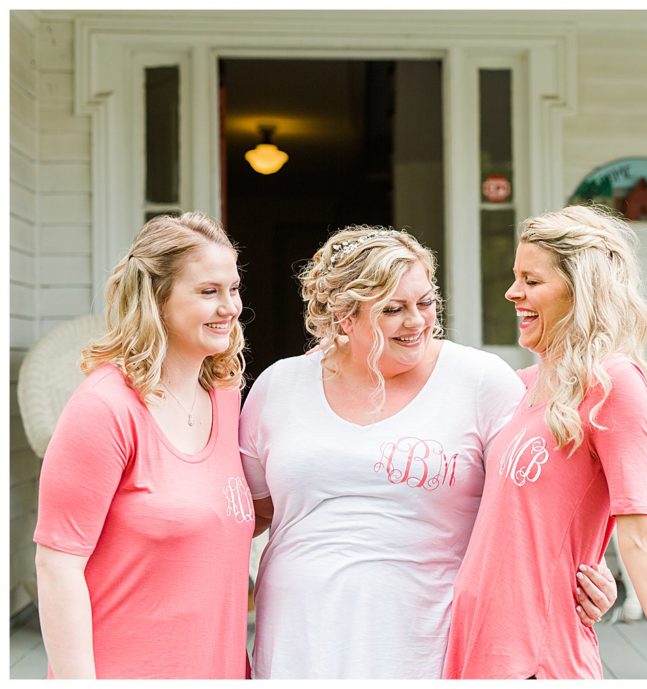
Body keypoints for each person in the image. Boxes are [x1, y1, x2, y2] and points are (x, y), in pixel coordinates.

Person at [240, 226, 616, 679]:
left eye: (425, 302)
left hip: (429, 638)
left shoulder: (479, 381)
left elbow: (535, 499)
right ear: (344, 315)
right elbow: (247, 515)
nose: (416, 321)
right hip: (301, 635)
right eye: (393, 309)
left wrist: (584, 568)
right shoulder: (279, 386)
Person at [443, 205, 647, 680]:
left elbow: (642, 535)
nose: (513, 292)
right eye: (514, 276)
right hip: (475, 646)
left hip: (539, 657)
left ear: (580, 290)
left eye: (532, 280)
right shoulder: (517, 387)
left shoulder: (613, 384)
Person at [33, 212, 254, 679]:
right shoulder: (105, 407)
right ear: (158, 298)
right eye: (208, 291)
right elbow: (57, 564)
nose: (229, 306)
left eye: (233, 289)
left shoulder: (226, 395)